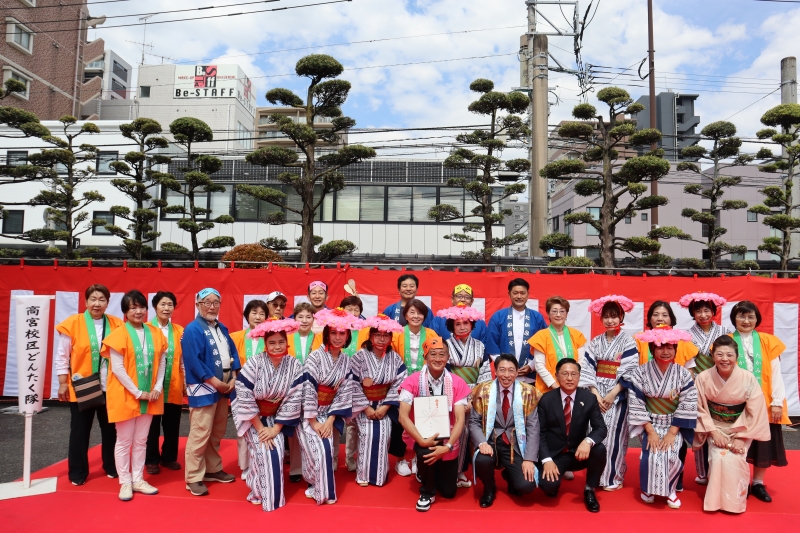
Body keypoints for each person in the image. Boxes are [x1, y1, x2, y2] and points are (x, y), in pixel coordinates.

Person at [231, 318, 304, 512]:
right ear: (265, 344)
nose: (277, 346)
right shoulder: (254, 363)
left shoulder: (294, 365)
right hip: (252, 418)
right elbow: (244, 395)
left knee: (277, 450)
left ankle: (265, 492)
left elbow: (294, 399)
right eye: (272, 342)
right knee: (263, 450)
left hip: (276, 418)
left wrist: (276, 428)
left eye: (281, 342)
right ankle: (259, 493)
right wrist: (261, 428)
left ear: (287, 342)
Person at [101, 290, 168, 501]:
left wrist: (157, 386)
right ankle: (125, 482)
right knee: (123, 441)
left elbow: (162, 360)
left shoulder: (155, 332)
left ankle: (138, 479)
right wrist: (138, 392)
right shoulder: (118, 334)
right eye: (133, 308)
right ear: (125, 312)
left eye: (141, 307)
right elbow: (118, 368)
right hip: (127, 395)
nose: (138, 311)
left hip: (151, 396)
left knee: (141, 440)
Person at [55, 284, 124, 486]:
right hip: (83, 386)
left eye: (101, 299)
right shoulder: (73, 324)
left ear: (108, 303)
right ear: (85, 302)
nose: (97, 303)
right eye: (93, 299)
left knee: (111, 429)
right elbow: (62, 356)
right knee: (79, 431)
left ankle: (111, 466)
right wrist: (62, 383)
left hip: (109, 385)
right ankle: (78, 472)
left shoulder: (117, 324)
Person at [694, 335, 770, 513]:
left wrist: (742, 438)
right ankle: (715, 502)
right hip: (715, 427)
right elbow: (698, 408)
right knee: (719, 457)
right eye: (719, 354)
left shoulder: (748, 378)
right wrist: (714, 432)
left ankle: (734, 502)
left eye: (729, 355)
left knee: (735, 457)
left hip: (741, 428)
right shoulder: (704, 377)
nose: (724, 359)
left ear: (736, 356)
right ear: (713, 356)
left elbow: (756, 410)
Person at [298, 308, 363, 505]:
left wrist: (331, 419)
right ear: (326, 334)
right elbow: (308, 390)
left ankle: (319, 482)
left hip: (330, 413)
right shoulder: (314, 358)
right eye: (333, 333)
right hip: (310, 413)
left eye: (342, 333)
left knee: (327, 447)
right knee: (318, 447)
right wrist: (314, 422)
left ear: (348, 335)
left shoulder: (346, 361)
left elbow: (344, 392)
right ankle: (314, 483)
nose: (337, 337)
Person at [398, 337, 470, 512]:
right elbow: (403, 416)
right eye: (433, 354)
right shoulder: (412, 381)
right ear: (425, 357)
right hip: (422, 436)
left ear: (447, 358)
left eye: (442, 354)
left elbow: (460, 419)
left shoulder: (457, 382)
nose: (438, 359)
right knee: (426, 451)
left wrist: (449, 446)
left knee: (448, 492)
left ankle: (430, 472)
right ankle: (427, 492)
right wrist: (421, 441)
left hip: (448, 438)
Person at [629, 327, 698, 509]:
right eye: (660, 347)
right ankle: (648, 489)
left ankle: (671, 490)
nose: (666, 351)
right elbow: (636, 401)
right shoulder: (640, 372)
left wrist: (673, 432)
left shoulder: (682, 373)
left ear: (675, 349)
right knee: (651, 455)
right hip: (649, 422)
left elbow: (688, 401)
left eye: (670, 347)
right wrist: (650, 431)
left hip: (673, 424)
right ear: (652, 350)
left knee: (673, 454)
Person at [728, 300, 789, 503]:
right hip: (737, 403)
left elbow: (776, 373)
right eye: (741, 316)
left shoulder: (768, 341)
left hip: (765, 401)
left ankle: (758, 483)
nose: (746, 320)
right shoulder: (726, 341)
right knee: (739, 444)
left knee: (764, 444)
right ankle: (742, 481)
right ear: (733, 318)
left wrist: (777, 402)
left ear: (757, 319)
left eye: (750, 316)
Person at [182, 288, 240, 497]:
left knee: (216, 431)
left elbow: (233, 352)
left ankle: (213, 469)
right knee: (200, 431)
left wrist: (234, 377)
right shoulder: (192, 329)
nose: (212, 306)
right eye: (207, 302)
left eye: (216, 302)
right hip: (205, 385)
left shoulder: (221, 327)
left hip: (223, 385)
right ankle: (194, 476)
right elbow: (192, 359)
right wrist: (214, 381)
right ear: (197, 304)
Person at [579, 295, 638, 491]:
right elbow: (587, 368)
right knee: (596, 434)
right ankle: (596, 476)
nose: (610, 320)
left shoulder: (628, 342)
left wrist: (613, 394)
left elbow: (630, 370)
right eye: (606, 316)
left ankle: (613, 476)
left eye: (614, 316)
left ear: (621, 317)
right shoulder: (596, 342)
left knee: (615, 435)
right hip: (596, 392)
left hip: (617, 394)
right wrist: (594, 393)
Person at [470, 353, 542, 508]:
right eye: (502, 370)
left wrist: (529, 459)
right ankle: (489, 488)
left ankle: (509, 476)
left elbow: (533, 427)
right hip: (491, 440)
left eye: (511, 370)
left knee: (526, 486)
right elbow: (474, 422)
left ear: (517, 372)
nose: (506, 375)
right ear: (495, 371)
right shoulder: (483, 390)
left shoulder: (528, 392)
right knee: (482, 459)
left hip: (516, 443)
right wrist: (482, 442)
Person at [537, 358, 608, 512]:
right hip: (556, 455)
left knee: (599, 448)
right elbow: (539, 434)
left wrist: (588, 441)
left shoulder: (588, 398)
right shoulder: (546, 400)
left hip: (578, 453)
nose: (569, 378)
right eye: (565, 374)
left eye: (573, 374)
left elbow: (601, 428)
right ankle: (556, 479)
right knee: (548, 487)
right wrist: (547, 460)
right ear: (556, 376)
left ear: (579, 376)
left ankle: (589, 489)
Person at [678, 291, 730, 485]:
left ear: (713, 311)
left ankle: (719, 467)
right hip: (697, 383)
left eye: (706, 310)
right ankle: (702, 471)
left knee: (719, 425)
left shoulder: (725, 332)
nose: (703, 315)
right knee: (700, 426)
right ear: (692, 313)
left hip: (721, 383)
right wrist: (689, 387)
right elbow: (688, 363)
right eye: (698, 311)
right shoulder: (687, 336)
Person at [438, 302, 492, 487]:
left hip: (475, 395)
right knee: (455, 433)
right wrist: (460, 400)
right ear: (452, 326)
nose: (462, 327)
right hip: (452, 393)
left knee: (473, 432)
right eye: (457, 323)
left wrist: (473, 398)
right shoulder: (445, 346)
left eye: (466, 323)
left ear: (472, 325)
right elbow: (443, 373)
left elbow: (484, 375)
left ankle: (472, 472)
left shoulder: (480, 346)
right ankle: (454, 471)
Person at [350, 314, 407, 487]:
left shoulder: (395, 358)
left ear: (391, 338)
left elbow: (400, 382)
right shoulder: (359, 356)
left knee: (384, 435)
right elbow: (352, 383)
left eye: (386, 336)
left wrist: (386, 406)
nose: (382, 339)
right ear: (370, 336)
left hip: (385, 404)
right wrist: (366, 407)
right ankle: (363, 474)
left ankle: (379, 474)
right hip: (363, 405)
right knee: (367, 435)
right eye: (378, 335)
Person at [391, 299, 438, 477]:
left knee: (424, 420)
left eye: (419, 313)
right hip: (401, 383)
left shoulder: (432, 334)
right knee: (400, 421)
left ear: (424, 316)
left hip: (425, 382)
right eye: (412, 312)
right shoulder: (397, 334)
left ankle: (419, 457)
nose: (415, 316)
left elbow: (436, 358)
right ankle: (400, 458)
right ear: (405, 315)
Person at [145, 291, 185, 475]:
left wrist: (184, 380)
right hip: (151, 384)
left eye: (170, 304)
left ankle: (169, 457)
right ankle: (151, 459)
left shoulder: (179, 330)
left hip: (174, 383)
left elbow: (183, 358)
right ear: (155, 307)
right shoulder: (145, 329)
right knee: (152, 423)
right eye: (162, 304)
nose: (166, 308)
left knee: (172, 422)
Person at [230, 299, 269, 479]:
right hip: (241, 389)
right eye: (254, 313)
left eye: (262, 313)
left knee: (262, 427)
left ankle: (260, 462)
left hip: (265, 391)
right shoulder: (235, 337)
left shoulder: (271, 337)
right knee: (243, 428)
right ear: (247, 315)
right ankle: (245, 466)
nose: (258, 317)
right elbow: (230, 363)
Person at [485, 278, 547, 384]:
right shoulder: (498, 316)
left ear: (528, 294)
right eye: (515, 293)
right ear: (509, 294)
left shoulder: (537, 317)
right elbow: (492, 344)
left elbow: (544, 344)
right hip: (504, 377)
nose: (519, 296)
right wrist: (505, 367)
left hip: (530, 376)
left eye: (522, 293)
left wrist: (531, 366)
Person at [286, 302, 322, 482]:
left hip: (314, 388)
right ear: (294, 318)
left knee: (311, 427)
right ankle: (296, 469)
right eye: (300, 317)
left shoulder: (319, 338)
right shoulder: (287, 337)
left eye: (309, 317)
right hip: (292, 388)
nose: (305, 320)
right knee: (294, 428)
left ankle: (314, 466)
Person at [528, 296, 587, 394]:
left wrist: (574, 384)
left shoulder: (577, 335)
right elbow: (539, 366)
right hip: (548, 390)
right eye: (554, 311)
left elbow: (582, 363)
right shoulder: (540, 336)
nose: (558, 315)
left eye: (562, 311)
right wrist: (555, 387)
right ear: (548, 314)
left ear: (567, 314)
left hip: (573, 389)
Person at [340, 295, 370, 472]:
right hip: (338, 382)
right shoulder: (336, 329)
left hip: (359, 383)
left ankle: (352, 457)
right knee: (336, 423)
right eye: (348, 309)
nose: (352, 312)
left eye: (356, 310)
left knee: (354, 424)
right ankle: (334, 457)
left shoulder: (365, 330)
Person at [636, 301, 699, 367]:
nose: (660, 319)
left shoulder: (682, 340)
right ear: (649, 319)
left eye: (665, 315)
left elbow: (689, 370)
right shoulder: (640, 339)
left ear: (671, 319)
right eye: (655, 315)